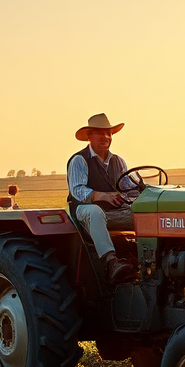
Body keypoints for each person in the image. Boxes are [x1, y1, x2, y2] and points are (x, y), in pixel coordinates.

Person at [67, 113, 142, 283]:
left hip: (114, 211)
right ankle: (111, 262)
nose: (106, 137)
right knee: (95, 211)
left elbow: (130, 188)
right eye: (100, 133)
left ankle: (143, 258)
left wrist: (139, 194)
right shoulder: (79, 160)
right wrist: (101, 196)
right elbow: (77, 191)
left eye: (108, 133)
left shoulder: (118, 161)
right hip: (85, 210)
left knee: (144, 214)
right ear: (89, 136)